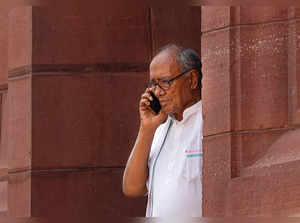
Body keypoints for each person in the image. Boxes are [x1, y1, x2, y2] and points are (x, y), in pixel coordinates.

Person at [122, 44, 203, 217]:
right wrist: (146, 128)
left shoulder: (207, 125)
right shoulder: (160, 128)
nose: (157, 92)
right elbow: (132, 188)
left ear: (192, 80)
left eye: (165, 82)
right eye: (154, 84)